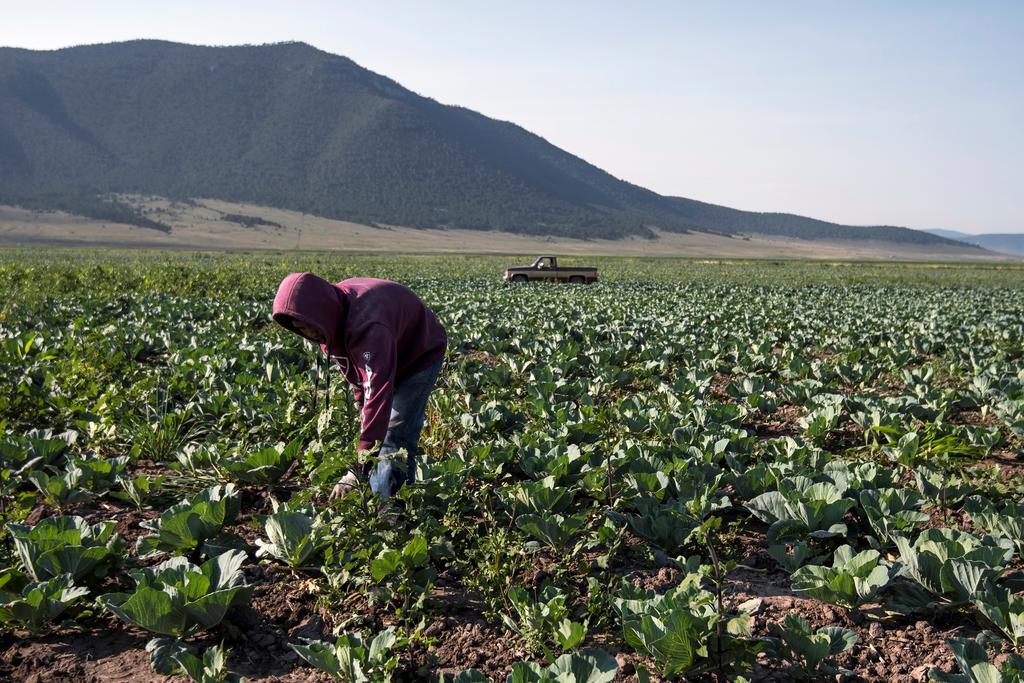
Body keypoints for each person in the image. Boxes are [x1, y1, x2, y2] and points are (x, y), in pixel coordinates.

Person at [272, 272, 447, 499]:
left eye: (309, 325)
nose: (310, 333)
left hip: (419, 352)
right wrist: (362, 409)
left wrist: (357, 469)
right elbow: (357, 374)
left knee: (395, 435)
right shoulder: (327, 322)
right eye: (301, 328)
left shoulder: (368, 326)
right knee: (376, 427)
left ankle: (391, 510)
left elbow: (377, 393)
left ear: (320, 309)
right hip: (389, 342)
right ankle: (376, 495)